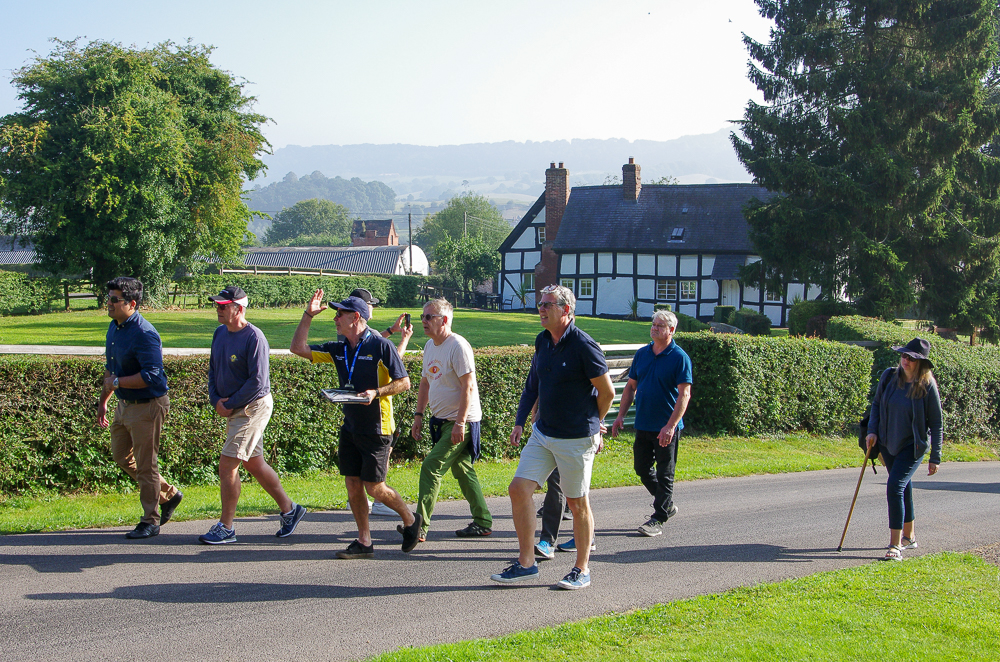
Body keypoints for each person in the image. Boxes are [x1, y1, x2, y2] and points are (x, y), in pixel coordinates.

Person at [491, 284, 614, 590]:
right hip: (543, 433)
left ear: (566, 310)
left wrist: (594, 424)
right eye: (540, 304)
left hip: (575, 438)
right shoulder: (543, 340)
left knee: (577, 503)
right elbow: (533, 385)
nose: (541, 310)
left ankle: (581, 569)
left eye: (548, 305)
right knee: (518, 489)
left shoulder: (584, 345)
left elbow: (607, 392)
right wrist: (520, 422)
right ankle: (526, 563)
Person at [290, 289, 419, 559]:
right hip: (350, 425)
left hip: (377, 427)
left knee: (375, 487)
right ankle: (364, 540)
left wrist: (376, 392)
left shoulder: (380, 345)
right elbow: (298, 348)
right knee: (352, 482)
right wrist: (307, 315)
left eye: (340, 314)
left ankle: (410, 519)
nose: (335, 318)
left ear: (356, 317)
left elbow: (404, 383)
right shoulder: (338, 349)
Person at [198, 286, 307, 544]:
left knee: (228, 465)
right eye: (217, 305)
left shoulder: (254, 337)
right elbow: (213, 369)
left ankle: (226, 527)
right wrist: (216, 400)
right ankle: (290, 510)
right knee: (253, 462)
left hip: (252, 407)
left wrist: (231, 403)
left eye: (223, 306)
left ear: (239, 308)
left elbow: (257, 382)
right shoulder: (219, 334)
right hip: (234, 407)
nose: (218, 309)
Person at [96, 277, 182, 539]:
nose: (108, 304)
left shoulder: (145, 333)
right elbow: (112, 369)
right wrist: (104, 401)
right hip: (124, 404)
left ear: (131, 304)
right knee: (121, 456)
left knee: (146, 466)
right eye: (108, 298)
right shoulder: (115, 327)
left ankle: (150, 520)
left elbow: (154, 376)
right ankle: (168, 494)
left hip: (147, 406)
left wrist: (117, 382)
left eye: (114, 300)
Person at [409, 298, 493, 543]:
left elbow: (468, 386)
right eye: (423, 316)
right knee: (462, 469)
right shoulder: (430, 346)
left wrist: (460, 423)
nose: (423, 321)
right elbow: (425, 382)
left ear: (444, 320)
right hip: (441, 420)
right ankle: (483, 521)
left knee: (431, 467)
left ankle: (419, 527)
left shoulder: (458, 346)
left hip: (460, 422)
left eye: (428, 317)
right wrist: (419, 416)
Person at [611, 309, 692, 537]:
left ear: (671, 330)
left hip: (666, 427)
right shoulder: (642, 354)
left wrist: (671, 426)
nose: (654, 328)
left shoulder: (680, 357)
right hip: (643, 423)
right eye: (653, 324)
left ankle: (658, 518)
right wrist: (620, 416)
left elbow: (684, 395)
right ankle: (666, 504)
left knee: (665, 473)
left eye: (660, 325)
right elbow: (630, 387)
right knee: (641, 468)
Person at [866, 337, 943, 561]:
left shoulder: (927, 385)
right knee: (903, 486)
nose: (906, 360)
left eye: (911, 358)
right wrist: (872, 430)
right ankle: (909, 537)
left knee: (894, 486)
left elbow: (937, 423)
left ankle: (895, 545)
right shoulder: (889, 377)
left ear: (921, 363)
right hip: (888, 443)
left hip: (912, 445)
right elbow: (877, 404)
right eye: (904, 356)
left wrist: (935, 457)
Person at [350, 287, 414, 517]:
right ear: (361, 308)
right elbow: (392, 361)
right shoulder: (368, 333)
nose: (373, 307)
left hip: (358, 409)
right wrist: (404, 339)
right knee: (380, 455)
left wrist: (390, 330)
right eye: (370, 304)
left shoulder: (350, 335)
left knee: (356, 463)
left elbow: (374, 348)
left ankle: (361, 497)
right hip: (379, 409)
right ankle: (381, 502)